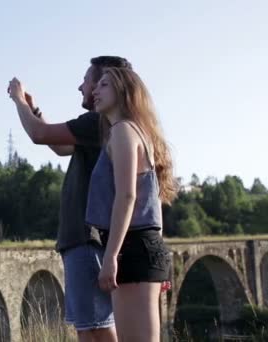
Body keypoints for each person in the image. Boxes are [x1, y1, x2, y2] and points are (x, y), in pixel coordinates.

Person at [8, 56, 131, 342]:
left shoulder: (98, 122)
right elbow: (61, 146)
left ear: (106, 84)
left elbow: (39, 135)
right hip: (85, 239)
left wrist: (18, 101)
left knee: (95, 328)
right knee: (90, 327)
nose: (81, 87)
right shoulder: (103, 125)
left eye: (88, 81)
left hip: (86, 239)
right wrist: (34, 107)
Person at [86, 67, 176, 342]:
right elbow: (153, 204)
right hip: (144, 246)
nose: (95, 91)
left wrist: (111, 257)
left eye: (103, 85)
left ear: (123, 92)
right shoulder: (137, 132)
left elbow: (127, 196)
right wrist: (156, 255)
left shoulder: (123, 131)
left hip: (132, 247)